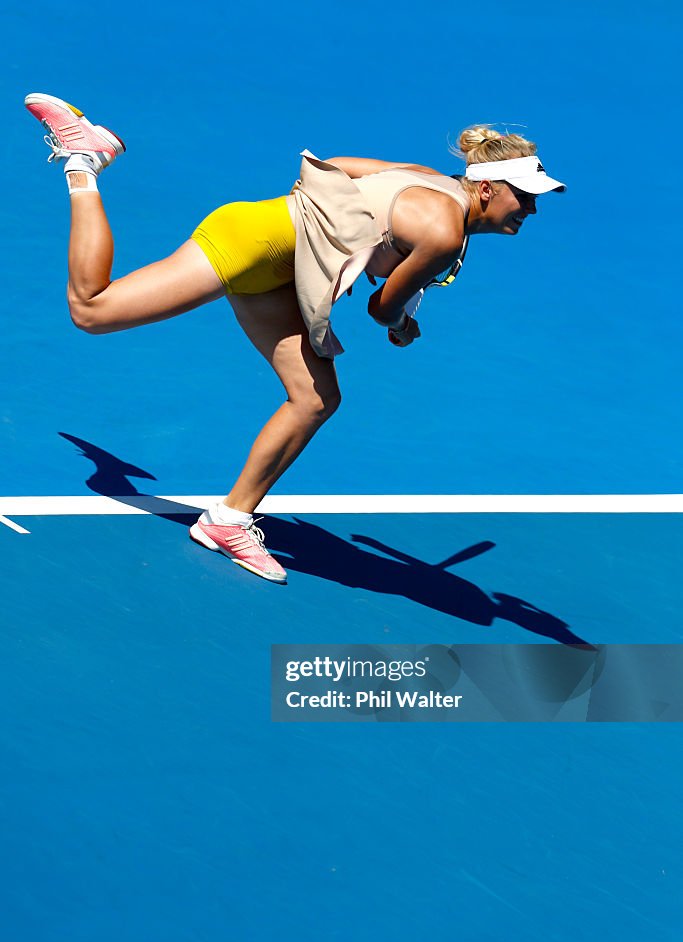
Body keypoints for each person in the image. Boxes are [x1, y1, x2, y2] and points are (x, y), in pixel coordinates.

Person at [25, 93, 566, 585]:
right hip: (253, 243)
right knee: (92, 310)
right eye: (525, 197)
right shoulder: (445, 235)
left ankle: (228, 521)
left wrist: (330, 232)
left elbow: (338, 167)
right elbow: (382, 309)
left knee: (315, 398)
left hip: (278, 262)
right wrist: (402, 325)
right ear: (490, 188)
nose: (532, 209)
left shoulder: (429, 179)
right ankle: (85, 161)